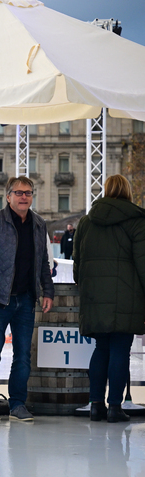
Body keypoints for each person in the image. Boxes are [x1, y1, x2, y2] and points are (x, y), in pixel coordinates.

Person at [0, 176, 54, 422]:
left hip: (26, 299)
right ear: (8, 197)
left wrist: (47, 291)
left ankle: (17, 404)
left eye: (28, 193)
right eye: (18, 193)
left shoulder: (39, 224)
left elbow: (43, 263)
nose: (23, 197)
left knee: (23, 355)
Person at [73, 175, 145, 423]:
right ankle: (115, 406)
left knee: (100, 348)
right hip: (127, 297)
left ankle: (95, 405)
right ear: (128, 191)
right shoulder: (137, 222)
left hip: (94, 297)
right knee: (120, 351)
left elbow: (77, 265)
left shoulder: (85, 222)